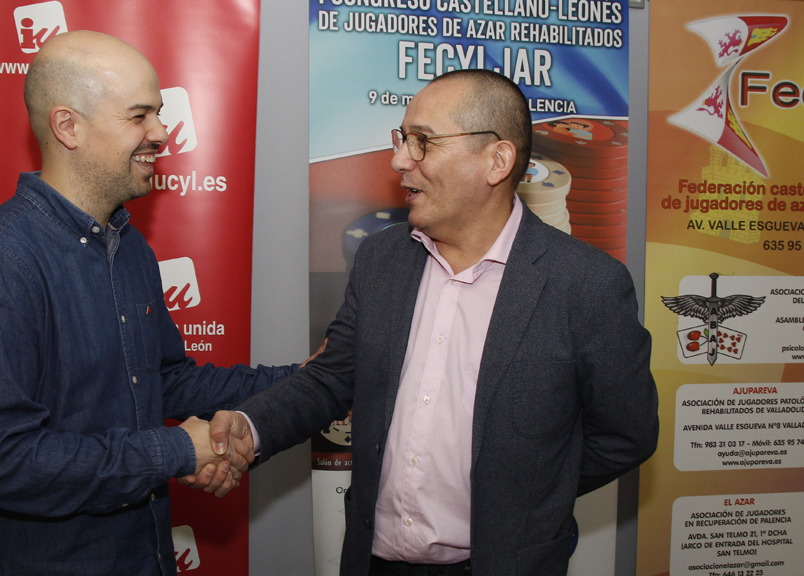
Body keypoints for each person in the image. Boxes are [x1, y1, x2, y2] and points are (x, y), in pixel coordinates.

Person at [211, 69, 659, 576]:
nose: (400, 160)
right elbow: (333, 376)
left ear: (496, 161)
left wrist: (528, 495)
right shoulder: (383, 259)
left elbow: (627, 434)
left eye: (422, 142)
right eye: (403, 139)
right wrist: (251, 427)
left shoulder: (587, 285)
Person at [0, 31, 301, 576]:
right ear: (68, 126)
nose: (162, 133)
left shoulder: (128, 248)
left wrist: (308, 378)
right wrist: (177, 452)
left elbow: (167, 381)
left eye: (160, 114)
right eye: (140, 116)